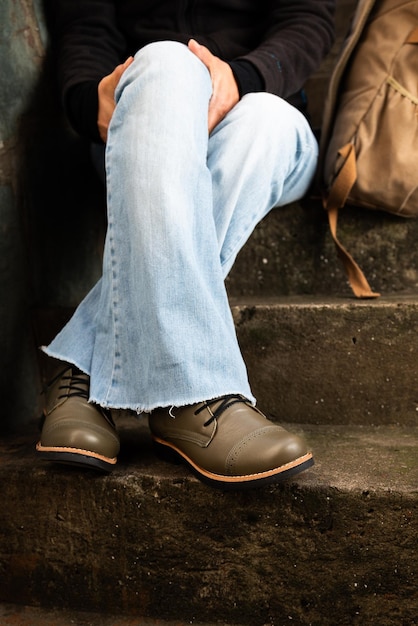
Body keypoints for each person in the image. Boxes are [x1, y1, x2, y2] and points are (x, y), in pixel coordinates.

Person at [36, 0, 336, 489]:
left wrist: (241, 78)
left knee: (265, 119)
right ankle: (193, 391)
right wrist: (93, 103)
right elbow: (84, 28)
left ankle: (87, 366)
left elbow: (308, 19)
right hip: (144, 123)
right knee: (166, 62)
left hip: (261, 110)